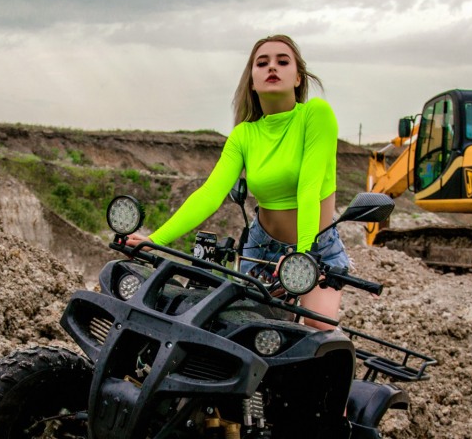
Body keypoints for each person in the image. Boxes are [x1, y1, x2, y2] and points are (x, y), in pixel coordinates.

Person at [126, 34, 350, 330]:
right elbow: (210, 192)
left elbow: (307, 188)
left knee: (317, 332)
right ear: (252, 81)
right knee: (242, 330)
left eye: (283, 62)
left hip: (315, 247)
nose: (272, 67)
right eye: (262, 63)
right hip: (262, 250)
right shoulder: (244, 134)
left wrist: (301, 255)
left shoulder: (316, 114)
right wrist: (156, 240)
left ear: (297, 78)